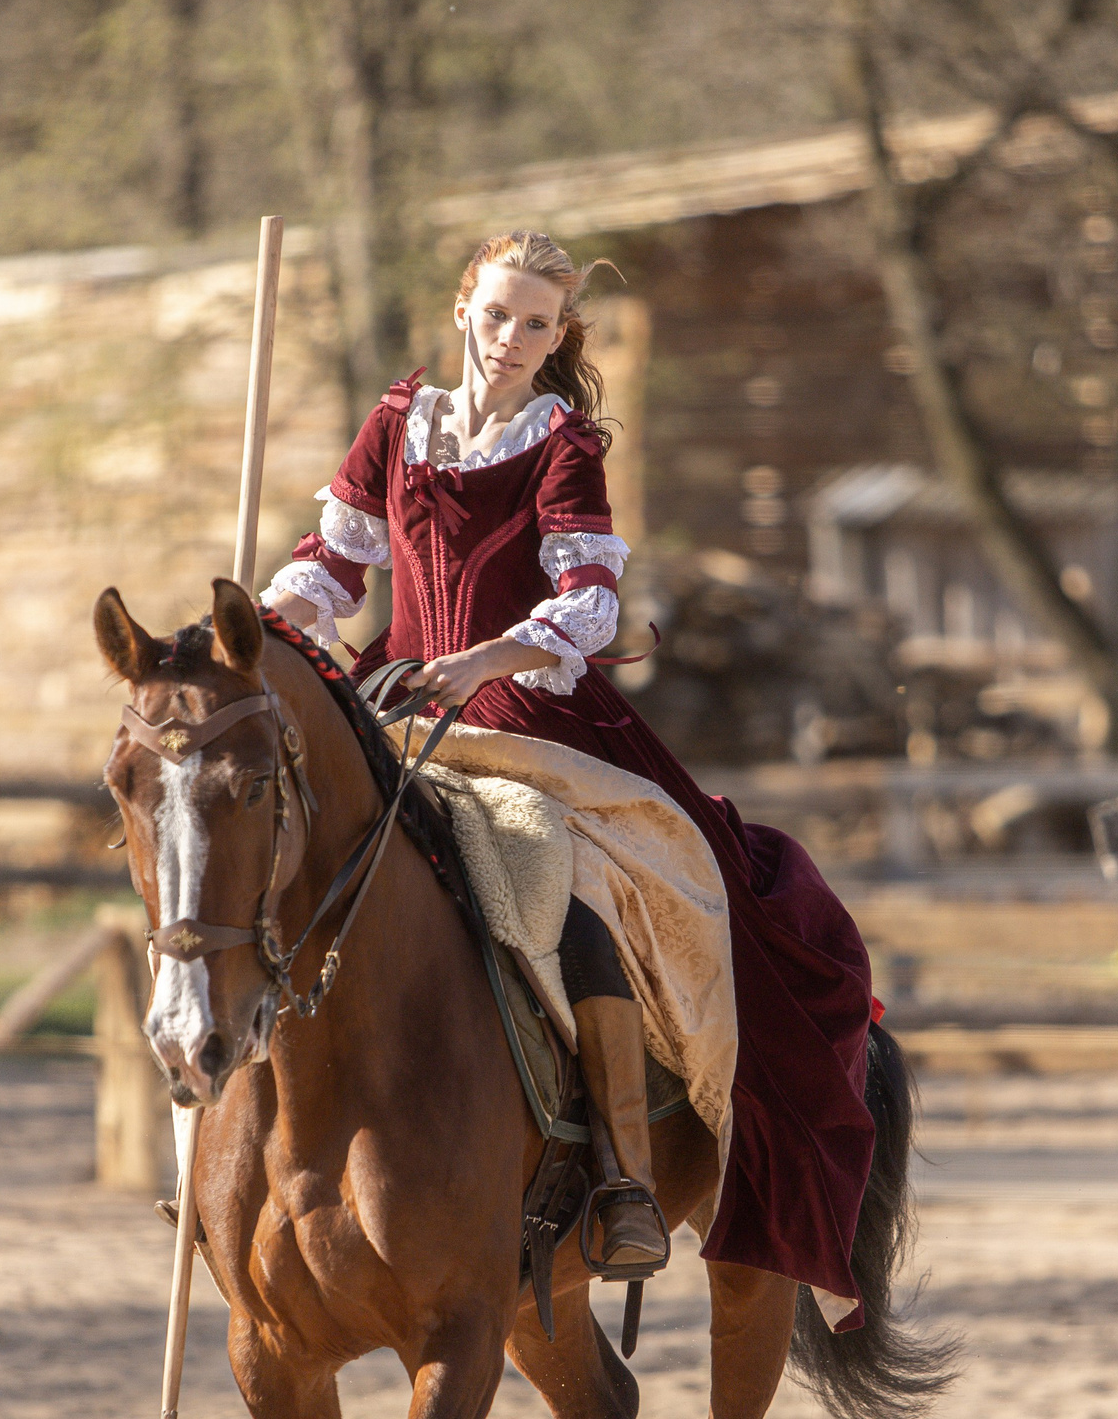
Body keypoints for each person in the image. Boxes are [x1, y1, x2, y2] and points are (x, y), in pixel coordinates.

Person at [264, 232, 879, 1313]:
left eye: (537, 324)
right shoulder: (398, 420)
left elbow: (588, 600)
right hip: (394, 701)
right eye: (499, 313)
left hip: (527, 712)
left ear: (558, 338)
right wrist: (265, 626)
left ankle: (625, 1173)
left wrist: (486, 657)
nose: (512, 338)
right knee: (269, 862)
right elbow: (334, 565)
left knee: (574, 890)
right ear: (464, 305)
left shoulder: (562, 443)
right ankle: (242, 1150)